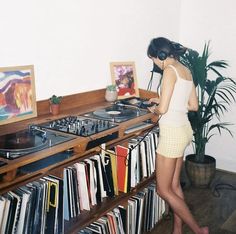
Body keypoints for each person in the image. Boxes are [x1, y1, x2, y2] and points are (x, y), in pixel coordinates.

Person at [147, 37, 209, 234]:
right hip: (183, 130)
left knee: (163, 190)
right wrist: (161, 100)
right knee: (174, 185)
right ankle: (177, 229)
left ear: (161, 55)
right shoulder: (185, 70)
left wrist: (154, 110)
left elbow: (163, 109)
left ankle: (198, 231)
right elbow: (193, 105)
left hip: (172, 134)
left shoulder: (168, 71)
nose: (155, 63)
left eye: (154, 59)